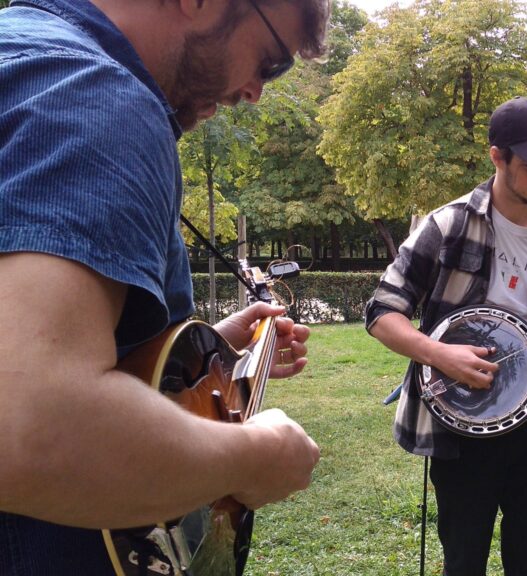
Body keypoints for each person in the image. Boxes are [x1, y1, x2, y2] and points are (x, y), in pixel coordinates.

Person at [0, 0, 329, 573]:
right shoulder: (99, 99)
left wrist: (186, 356)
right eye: (270, 62)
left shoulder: (24, 56)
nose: (255, 92)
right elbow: (31, 431)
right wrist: (253, 459)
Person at [365, 96, 527, 575]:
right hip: (461, 430)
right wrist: (440, 355)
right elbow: (382, 312)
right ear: (497, 157)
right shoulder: (448, 226)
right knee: (464, 562)